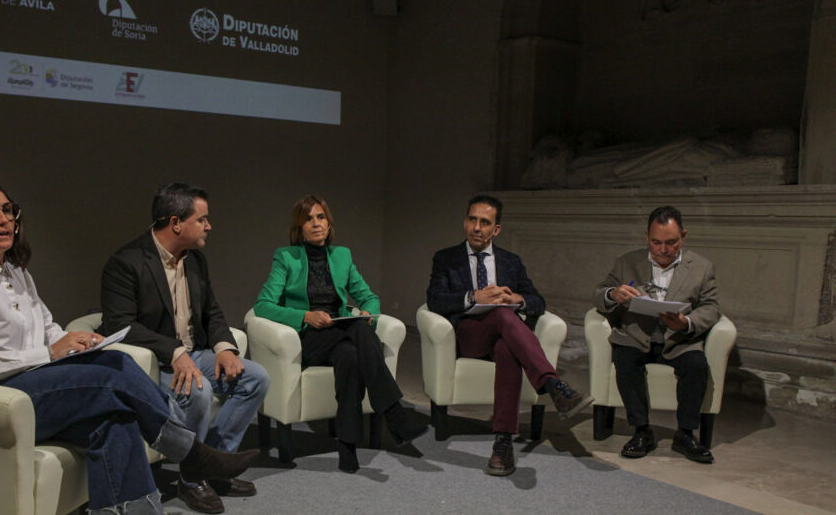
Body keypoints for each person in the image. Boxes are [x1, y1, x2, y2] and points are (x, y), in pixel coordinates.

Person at [0, 180, 257, 515]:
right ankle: (193, 454)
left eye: (9, 210)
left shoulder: (16, 273)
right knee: (115, 367)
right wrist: (50, 352)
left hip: (31, 388)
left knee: (113, 420)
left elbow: (47, 328)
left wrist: (73, 341)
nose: (4, 219)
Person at [101, 183, 269, 514]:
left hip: (197, 354)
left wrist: (224, 348)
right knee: (200, 391)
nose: (209, 226)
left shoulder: (195, 261)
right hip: (155, 363)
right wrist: (175, 352)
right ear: (176, 223)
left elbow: (212, 313)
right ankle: (192, 478)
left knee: (256, 377)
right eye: (202, 219)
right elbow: (118, 325)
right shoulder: (126, 262)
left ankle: (217, 464)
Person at [253, 195, 428, 473]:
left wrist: (367, 313)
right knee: (358, 330)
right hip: (309, 337)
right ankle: (394, 414)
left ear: (329, 221)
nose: (315, 224)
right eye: (308, 219)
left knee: (350, 356)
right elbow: (262, 305)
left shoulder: (342, 256)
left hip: (342, 334)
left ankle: (347, 448)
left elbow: (369, 297)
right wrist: (305, 316)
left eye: (320, 217)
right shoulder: (286, 257)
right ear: (299, 227)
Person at [426, 194, 593, 476]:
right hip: (470, 335)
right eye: (472, 220)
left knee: (507, 348)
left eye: (485, 222)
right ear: (465, 222)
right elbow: (435, 300)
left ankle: (502, 444)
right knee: (504, 315)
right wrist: (474, 296)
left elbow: (538, 301)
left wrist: (517, 299)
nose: (477, 227)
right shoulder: (446, 258)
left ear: (497, 229)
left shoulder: (511, 262)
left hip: (503, 338)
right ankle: (554, 385)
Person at [593, 206, 719, 463]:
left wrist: (686, 322)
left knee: (696, 366)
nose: (663, 249)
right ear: (647, 237)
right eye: (656, 242)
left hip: (679, 339)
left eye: (671, 242)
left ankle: (685, 433)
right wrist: (613, 294)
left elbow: (711, 307)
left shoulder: (702, 267)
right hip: (637, 336)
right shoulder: (628, 262)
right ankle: (641, 431)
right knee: (625, 361)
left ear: (683, 236)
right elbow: (600, 292)